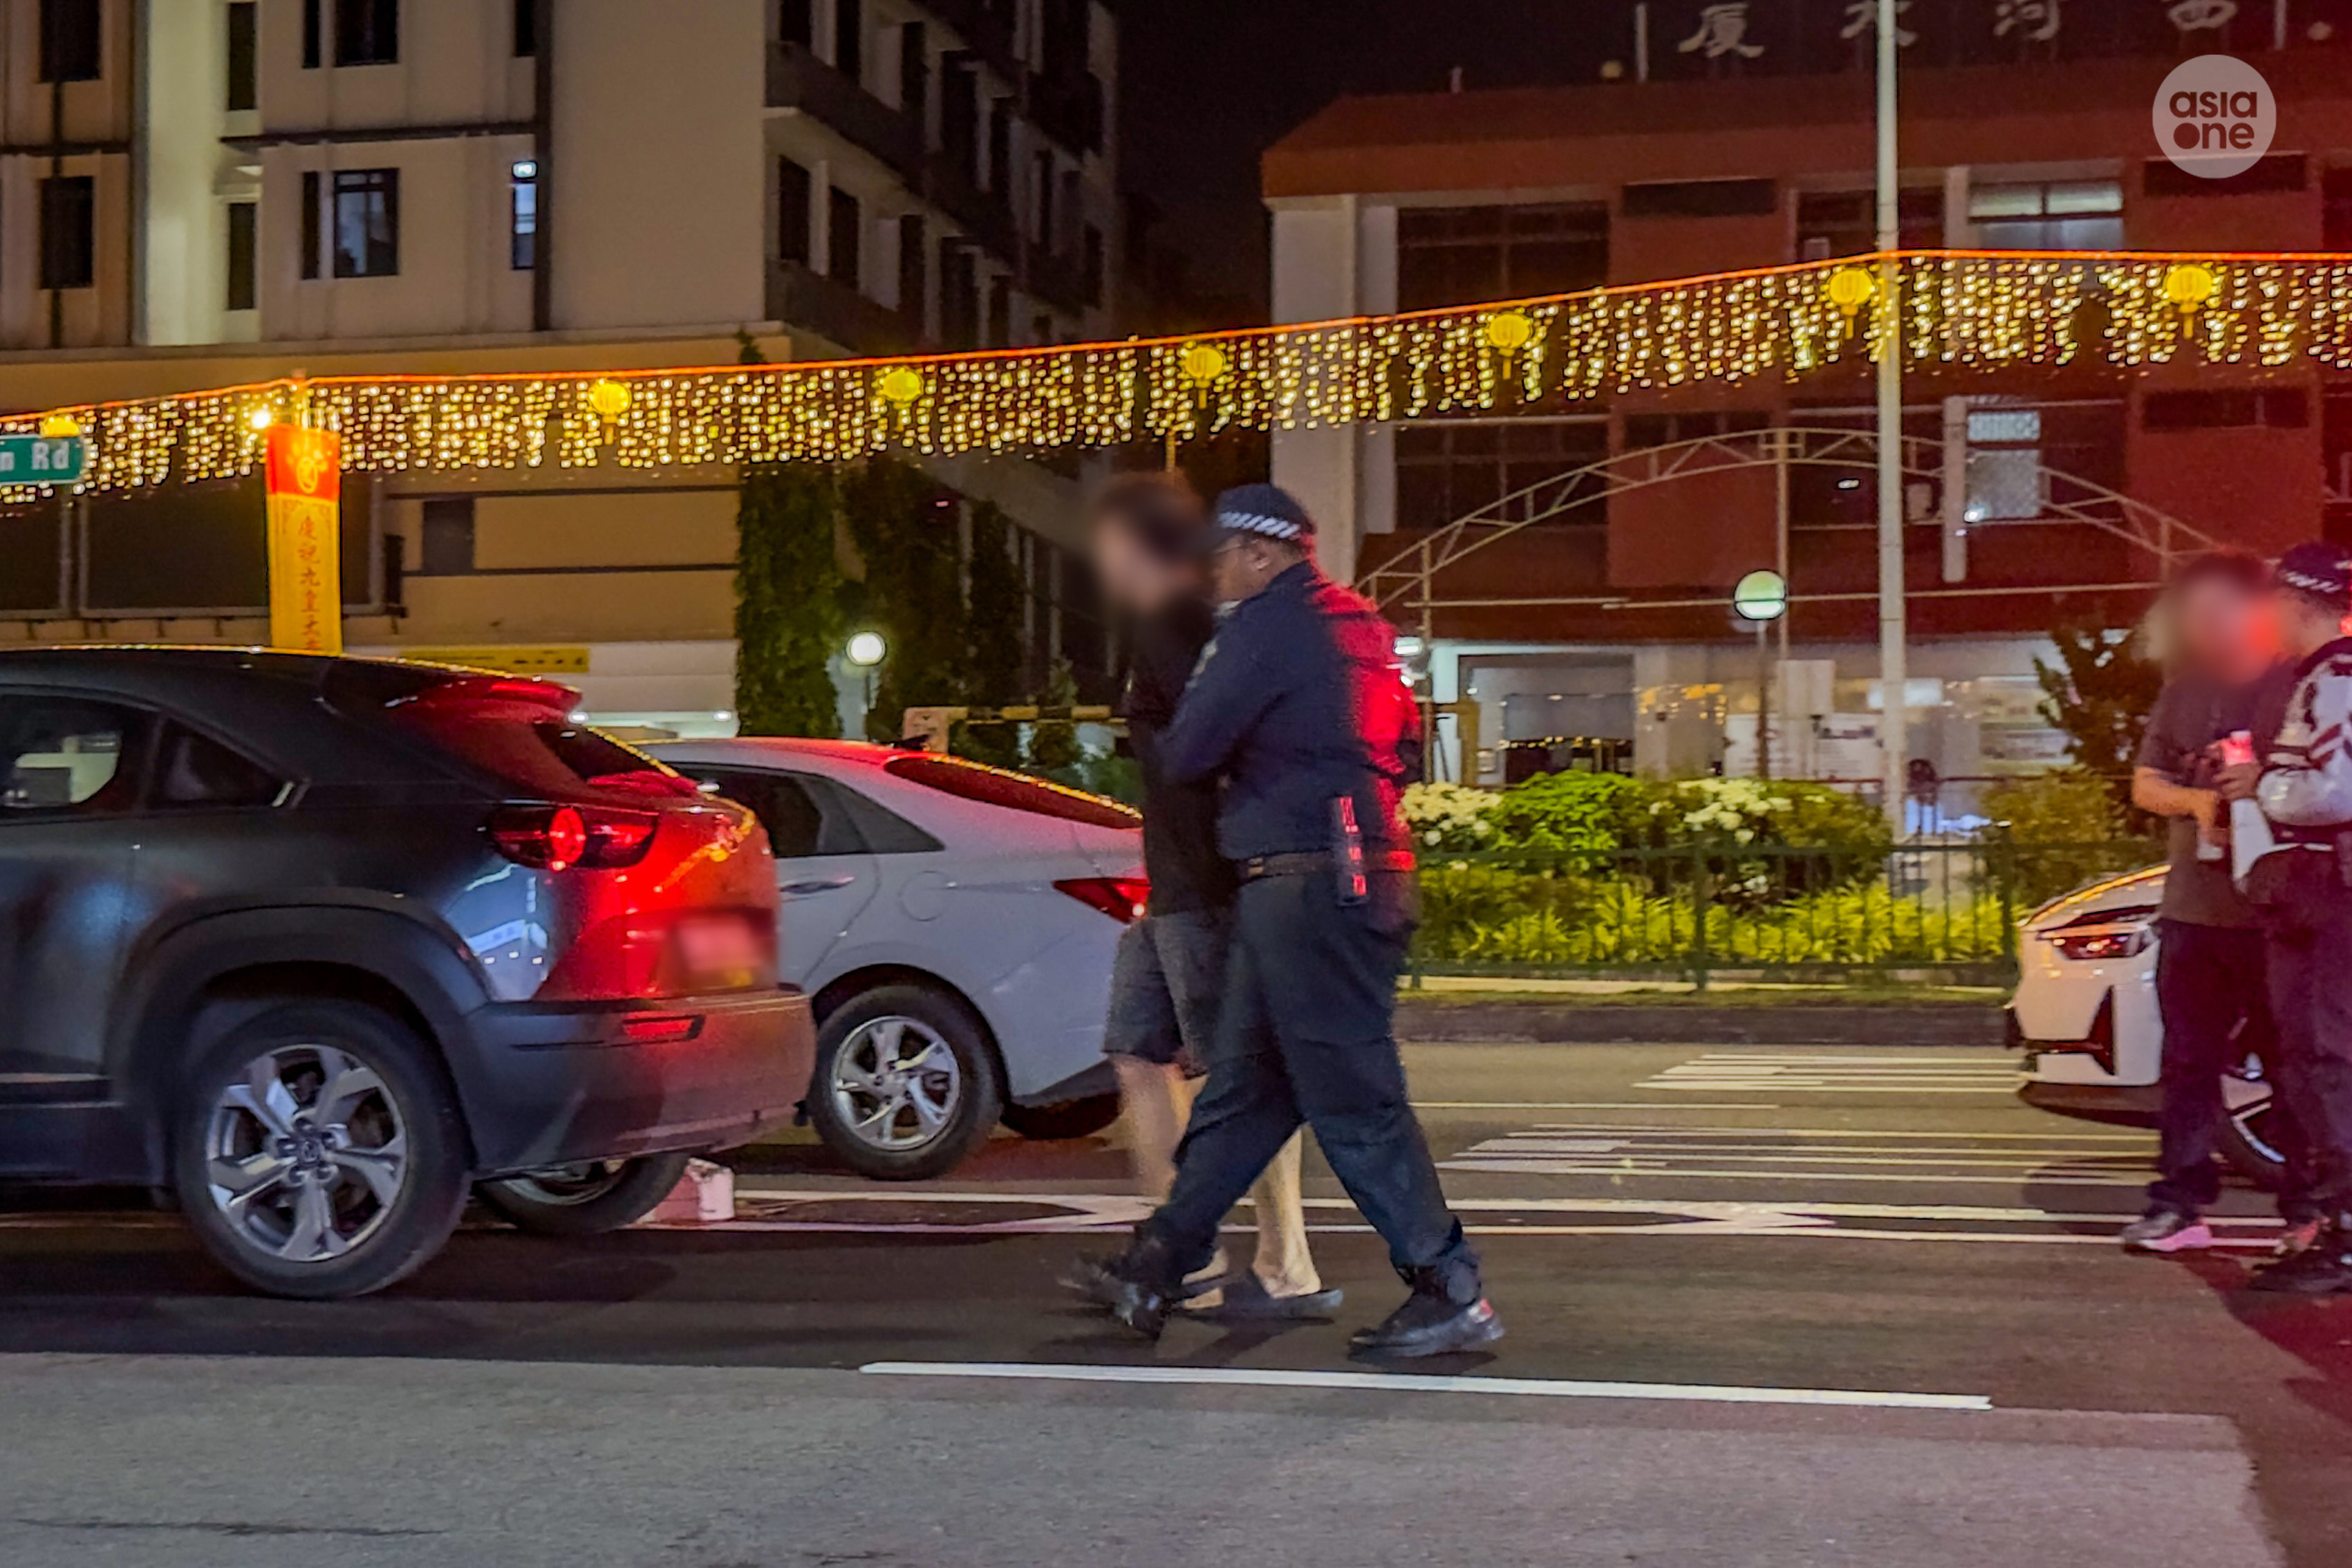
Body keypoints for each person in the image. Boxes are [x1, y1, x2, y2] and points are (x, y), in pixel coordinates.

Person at [1072, 483, 1502, 1358]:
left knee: (1353, 1096)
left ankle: (1449, 1285)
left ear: (1262, 552)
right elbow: (1405, 748)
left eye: (1224, 556)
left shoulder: (1264, 628)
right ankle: (1158, 1264)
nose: (1214, 573)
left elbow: (1188, 749)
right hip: (1353, 873)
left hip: (1308, 883)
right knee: (1247, 1089)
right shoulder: (1360, 626)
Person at [1077, 472, 1337, 1318]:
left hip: (1210, 884)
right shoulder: (1191, 625)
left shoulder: (1181, 624)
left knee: (1237, 1075)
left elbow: (1210, 757)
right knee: (1138, 1050)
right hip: (1180, 883)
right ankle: (1183, 1255)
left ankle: (1283, 1264)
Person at [2120, 550, 2318, 1256]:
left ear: (2259, 608)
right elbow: (2145, 784)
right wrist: (2197, 802)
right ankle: (2178, 1204)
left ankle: (2309, 1211)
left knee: (2295, 1065)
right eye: (2196, 612)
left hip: (2277, 915)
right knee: (2188, 1064)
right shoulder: (2186, 691)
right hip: (2194, 911)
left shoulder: (2302, 684)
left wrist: (2260, 787)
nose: (2208, 624)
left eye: (2221, 609)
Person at [2220, 542, 2352, 1294]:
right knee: (2311, 1058)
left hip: (2323, 890)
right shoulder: (2324, 678)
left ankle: (2344, 1236)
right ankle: (2334, 1228)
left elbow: (2333, 792)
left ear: (2295, 602)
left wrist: (2260, 785)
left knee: (2323, 1058)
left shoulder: (2334, 679)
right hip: (2319, 889)